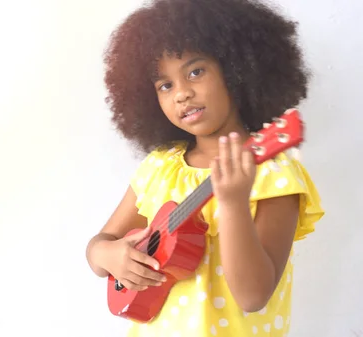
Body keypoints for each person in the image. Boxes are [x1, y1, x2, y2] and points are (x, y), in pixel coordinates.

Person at [84, 0, 325, 336]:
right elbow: (99, 245)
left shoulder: (272, 174)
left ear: (237, 70)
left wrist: (233, 204)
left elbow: (253, 295)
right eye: (165, 85)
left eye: (195, 72)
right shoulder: (160, 168)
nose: (182, 93)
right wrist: (108, 254)